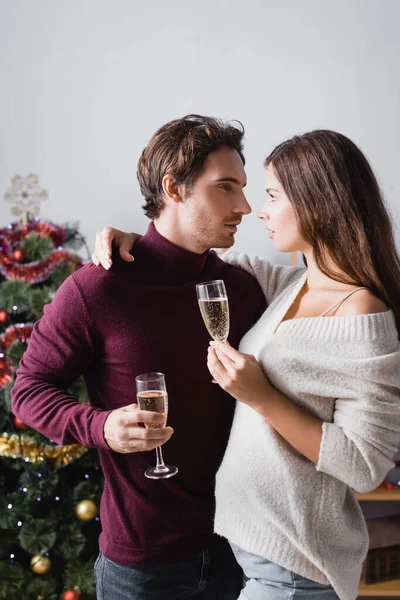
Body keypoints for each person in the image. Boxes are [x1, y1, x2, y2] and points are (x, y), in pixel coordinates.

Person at [94, 129, 400, 600]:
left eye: (272, 195)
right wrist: (141, 240)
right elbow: (195, 255)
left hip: (293, 567)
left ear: (318, 200)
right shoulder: (289, 287)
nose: (256, 209)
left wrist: (259, 396)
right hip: (253, 560)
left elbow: (363, 465)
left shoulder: (361, 312)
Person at [11, 115, 267, 600]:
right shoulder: (98, 288)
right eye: (226, 187)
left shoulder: (242, 289)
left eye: (245, 189)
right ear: (174, 188)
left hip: (243, 550)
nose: (245, 207)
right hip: (143, 568)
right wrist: (99, 427)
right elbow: (27, 391)